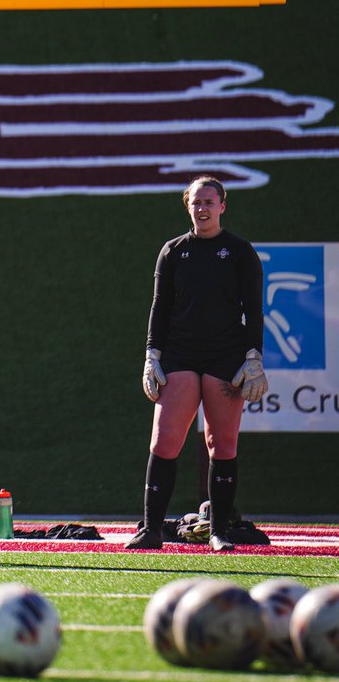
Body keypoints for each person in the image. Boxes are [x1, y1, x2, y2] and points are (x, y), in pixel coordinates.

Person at [126, 176, 266, 552]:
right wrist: (151, 355)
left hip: (225, 355)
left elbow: (253, 309)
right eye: (196, 202)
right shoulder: (173, 251)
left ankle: (219, 531)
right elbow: (160, 306)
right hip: (180, 353)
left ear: (222, 206)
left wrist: (254, 357)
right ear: (187, 206)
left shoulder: (239, 251)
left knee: (221, 443)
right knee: (165, 439)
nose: (202, 208)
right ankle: (151, 530)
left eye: (209, 201)